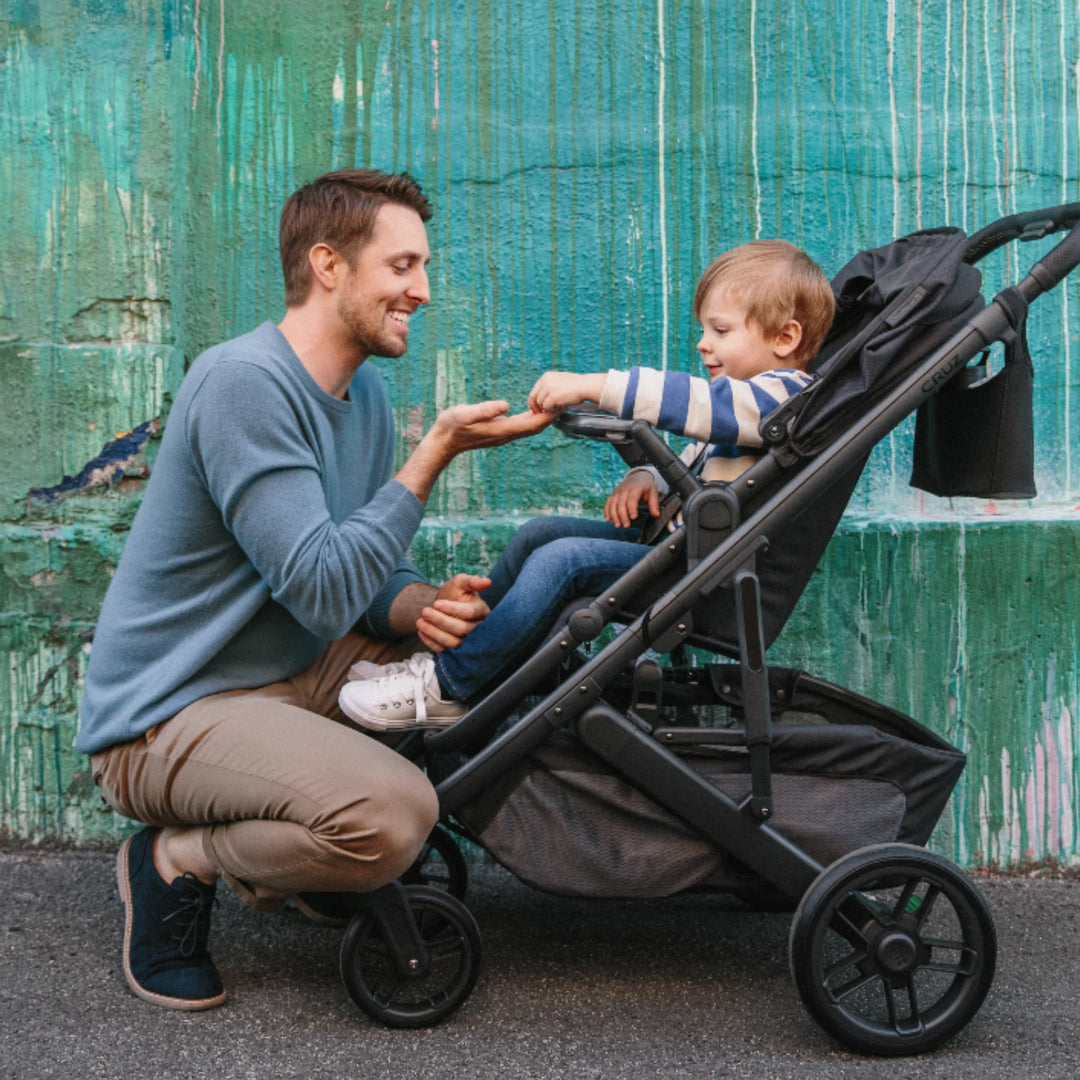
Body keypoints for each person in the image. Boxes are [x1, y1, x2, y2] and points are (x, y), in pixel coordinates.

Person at [77, 168, 552, 1011]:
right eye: (403, 267)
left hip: (290, 675)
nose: (423, 290)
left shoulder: (360, 390)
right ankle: (174, 863)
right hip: (166, 714)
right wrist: (433, 452)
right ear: (329, 265)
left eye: (424, 267)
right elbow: (323, 590)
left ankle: (301, 852)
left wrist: (417, 609)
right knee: (393, 818)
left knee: (475, 674)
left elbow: (358, 575)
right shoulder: (242, 385)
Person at [338, 239, 834, 731]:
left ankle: (448, 686)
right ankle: (463, 658)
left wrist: (600, 386)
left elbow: (701, 406)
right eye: (704, 329)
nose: (703, 343)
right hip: (678, 551)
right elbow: (697, 458)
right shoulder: (751, 406)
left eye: (720, 330)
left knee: (563, 560)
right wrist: (647, 476)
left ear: (785, 339)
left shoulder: (786, 400)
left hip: (708, 577)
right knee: (540, 534)